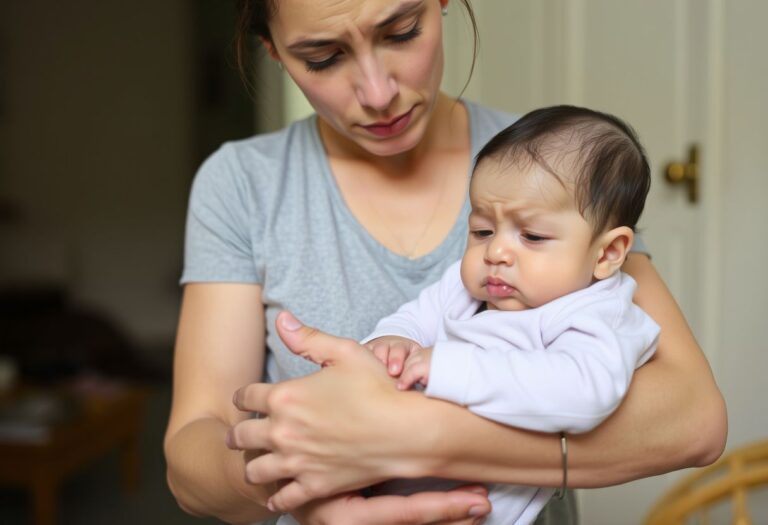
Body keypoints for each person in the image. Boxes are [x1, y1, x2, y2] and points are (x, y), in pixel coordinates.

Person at [164, 1, 727, 525]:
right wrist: (292, 479)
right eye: (323, 57)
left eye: (402, 32)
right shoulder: (243, 184)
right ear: (274, 51)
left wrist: (407, 436)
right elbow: (194, 451)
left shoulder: (552, 168)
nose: (378, 92)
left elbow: (693, 420)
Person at [362, 105, 660, 524]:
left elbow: (584, 392)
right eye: (482, 230)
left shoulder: (599, 312)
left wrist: (451, 368)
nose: (496, 252)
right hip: (380, 481)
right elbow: (416, 316)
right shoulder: (468, 285)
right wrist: (392, 340)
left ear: (607, 253)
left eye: (532, 236)